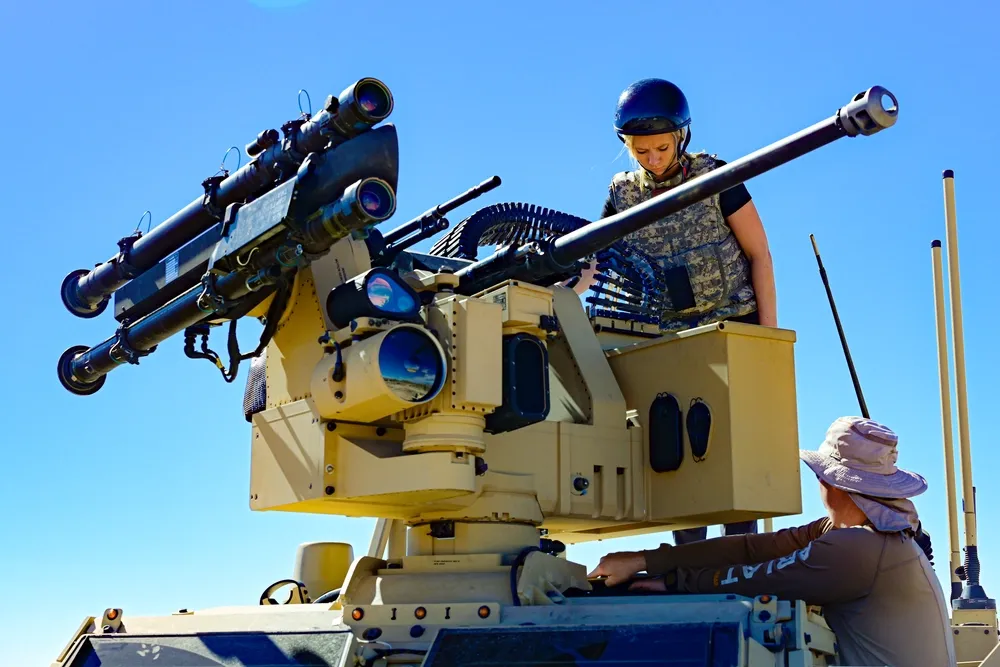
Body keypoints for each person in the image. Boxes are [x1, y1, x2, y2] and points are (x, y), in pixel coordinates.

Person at [576, 77, 777, 545]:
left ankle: (736, 560)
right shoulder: (622, 194)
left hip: (732, 327)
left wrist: (768, 340)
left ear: (680, 137)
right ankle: (691, 561)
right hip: (668, 338)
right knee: (676, 448)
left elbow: (759, 255)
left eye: (661, 148)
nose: (652, 159)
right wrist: (564, 292)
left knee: (736, 452)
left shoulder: (716, 177)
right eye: (640, 151)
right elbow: (597, 259)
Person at [587, 416, 955, 667]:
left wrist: (668, 583)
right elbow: (750, 548)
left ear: (830, 484)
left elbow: (753, 577)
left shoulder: (857, 549)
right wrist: (644, 560)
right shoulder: (860, 535)